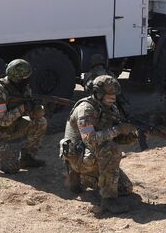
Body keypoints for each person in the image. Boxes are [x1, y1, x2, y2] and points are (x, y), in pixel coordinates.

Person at [59, 75, 138, 214]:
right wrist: (118, 129)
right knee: (111, 149)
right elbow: (90, 139)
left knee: (125, 188)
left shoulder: (110, 108)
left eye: (115, 94)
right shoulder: (86, 110)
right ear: (98, 93)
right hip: (79, 156)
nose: (113, 97)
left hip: (94, 154)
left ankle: (84, 178)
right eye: (109, 94)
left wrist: (130, 135)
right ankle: (108, 201)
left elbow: (115, 136)